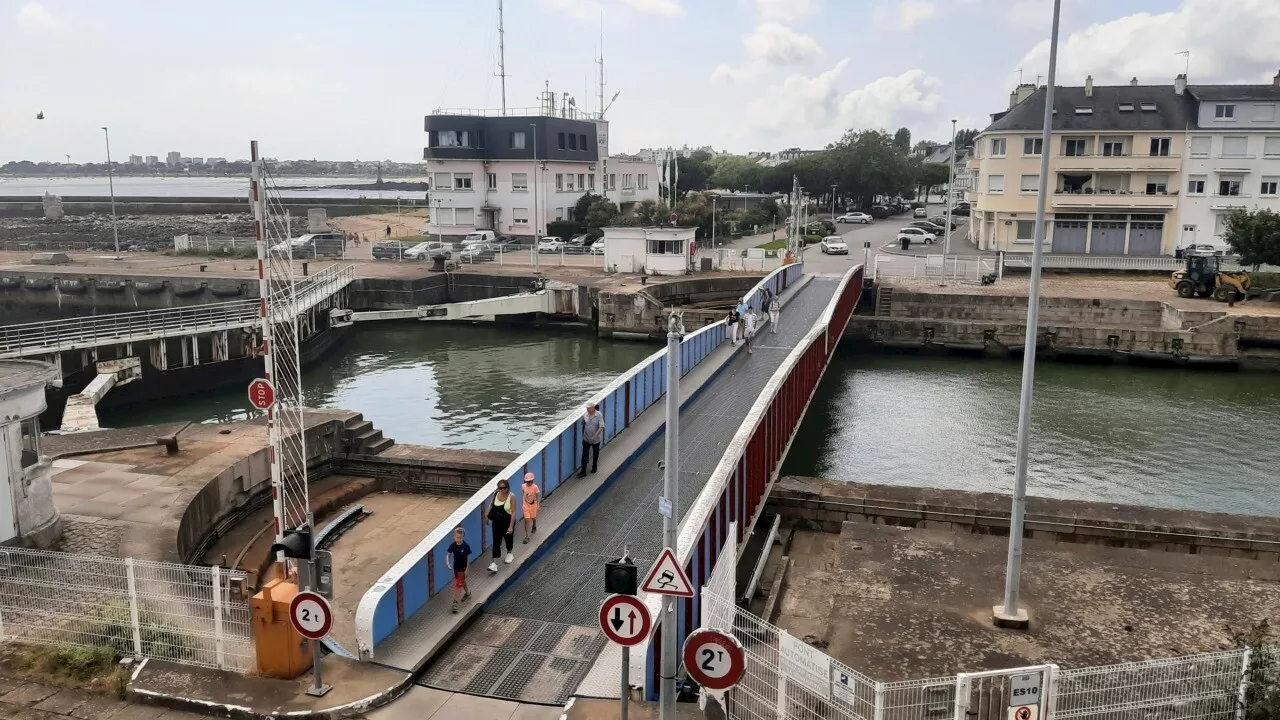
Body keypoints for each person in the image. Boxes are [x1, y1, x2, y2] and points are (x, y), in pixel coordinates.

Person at [485, 479, 516, 572]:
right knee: (496, 543)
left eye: (504, 488)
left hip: (507, 522)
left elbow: (513, 512)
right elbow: (491, 506)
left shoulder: (512, 497)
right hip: (496, 523)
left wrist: (511, 526)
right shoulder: (495, 495)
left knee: (508, 539)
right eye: (500, 488)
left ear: (507, 488)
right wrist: (486, 516)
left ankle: (509, 552)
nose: (502, 490)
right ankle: (494, 563)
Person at [445, 526, 472, 613]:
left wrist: (467, 568)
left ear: (463, 537)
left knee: (459, 585)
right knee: (461, 582)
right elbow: (448, 555)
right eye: (457, 537)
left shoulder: (466, 546)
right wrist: (448, 563)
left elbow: (468, 557)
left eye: (460, 538)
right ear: (454, 537)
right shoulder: (452, 545)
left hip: (463, 569)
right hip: (456, 568)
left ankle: (455, 603)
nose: (459, 539)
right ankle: (468, 593)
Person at [580, 403, 604, 478]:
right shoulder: (586, 415)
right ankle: (583, 470)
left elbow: (601, 426)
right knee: (584, 454)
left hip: (595, 439)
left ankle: (594, 466)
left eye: (589, 408)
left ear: (593, 408)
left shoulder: (598, 415)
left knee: (595, 453)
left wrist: (595, 436)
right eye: (587, 408)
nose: (587, 410)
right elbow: (584, 425)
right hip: (586, 438)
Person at [521, 472, 540, 544]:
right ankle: (527, 536)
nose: (529, 483)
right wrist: (523, 503)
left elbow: (537, 496)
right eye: (528, 481)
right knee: (527, 519)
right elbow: (523, 494)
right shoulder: (523, 486)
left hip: (533, 506)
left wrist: (538, 505)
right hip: (526, 506)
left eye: (531, 481)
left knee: (533, 518)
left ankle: (534, 524)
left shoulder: (535, 487)